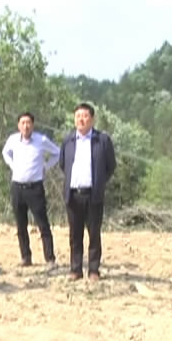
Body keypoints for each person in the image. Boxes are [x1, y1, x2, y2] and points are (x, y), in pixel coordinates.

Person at [59, 102, 116, 281]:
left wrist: (99, 182)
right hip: (73, 194)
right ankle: (75, 269)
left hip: (93, 195)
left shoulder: (102, 140)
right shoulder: (68, 140)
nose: (81, 119)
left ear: (92, 119)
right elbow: (63, 164)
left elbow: (110, 165)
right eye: (78, 116)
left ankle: (93, 270)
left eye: (85, 116)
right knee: (75, 235)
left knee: (94, 234)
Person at [1, 112, 59, 269]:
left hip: (35, 188)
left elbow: (57, 153)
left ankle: (50, 258)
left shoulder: (41, 140)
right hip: (17, 187)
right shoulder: (13, 140)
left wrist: (46, 167)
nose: (25, 126)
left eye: (28, 123)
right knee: (21, 225)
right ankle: (25, 257)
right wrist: (12, 165)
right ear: (18, 125)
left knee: (43, 224)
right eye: (22, 123)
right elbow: (5, 153)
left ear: (33, 125)